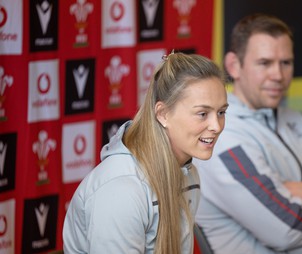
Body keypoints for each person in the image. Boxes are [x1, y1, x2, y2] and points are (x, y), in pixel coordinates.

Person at [193, 13, 302, 254]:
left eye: (286, 63)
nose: (278, 75)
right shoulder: (222, 134)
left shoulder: (298, 122)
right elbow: (287, 230)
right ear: (234, 65)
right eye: (264, 63)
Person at [63, 52, 229, 254]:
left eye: (221, 112)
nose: (216, 126)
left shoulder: (189, 173)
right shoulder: (122, 189)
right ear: (163, 114)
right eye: (202, 114)